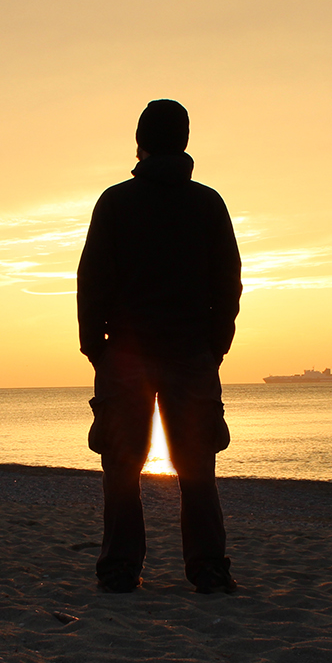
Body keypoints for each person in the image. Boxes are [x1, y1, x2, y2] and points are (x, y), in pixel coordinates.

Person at [77, 99, 242, 594]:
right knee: (197, 469)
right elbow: (228, 283)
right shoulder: (207, 203)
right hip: (188, 354)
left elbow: (91, 280)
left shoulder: (116, 201)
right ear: (185, 143)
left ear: (140, 143)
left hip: (127, 355)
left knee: (122, 468)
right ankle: (209, 567)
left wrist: (96, 347)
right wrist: (215, 346)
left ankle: (120, 568)